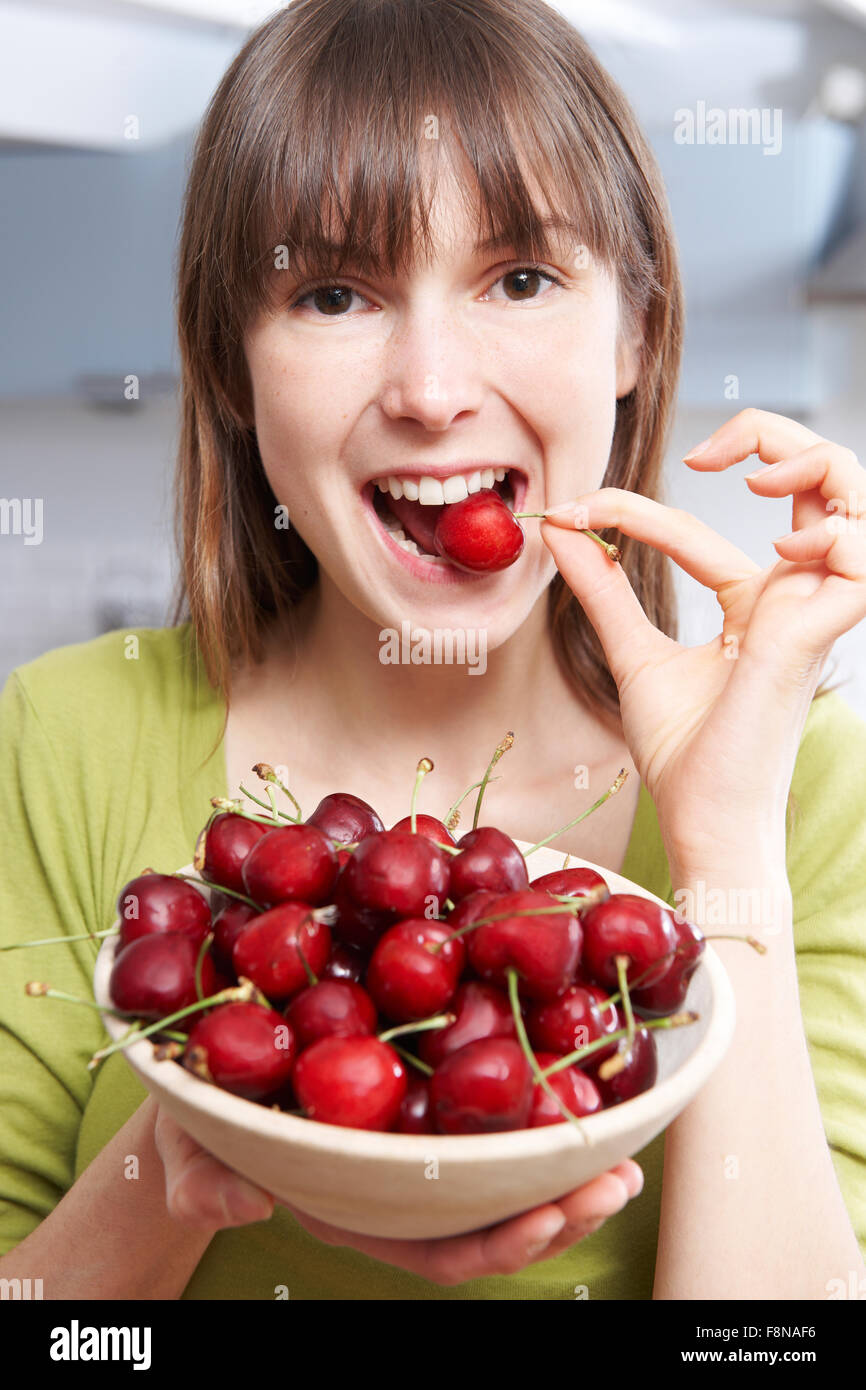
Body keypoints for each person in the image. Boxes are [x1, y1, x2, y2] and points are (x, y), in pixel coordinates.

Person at [1, 0, 865, 1301]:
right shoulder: (62, 735)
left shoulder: (805, 791)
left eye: (519, 279)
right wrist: (199, 1137)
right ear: (232, 370)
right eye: (334, 292)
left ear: (632, 330)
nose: (429, 387)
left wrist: (720, 847)